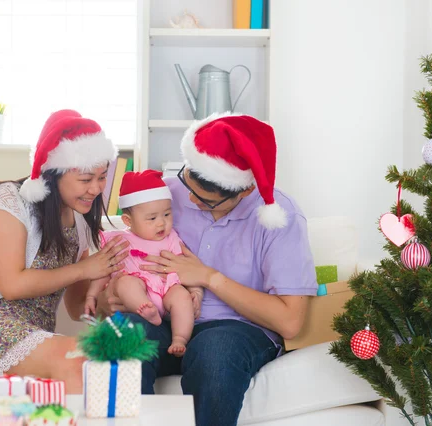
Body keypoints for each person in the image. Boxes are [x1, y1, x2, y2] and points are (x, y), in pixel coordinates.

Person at [98, 113, 318, 426]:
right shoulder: (166, 196)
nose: (188, 199)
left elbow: (290, 321)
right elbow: (111, 282)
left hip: (237, 331)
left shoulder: (281, 218)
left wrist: (208, 277)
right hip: (164, 319)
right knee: (120, 333)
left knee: (213, 349)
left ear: (243, 191)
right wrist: (115, 295)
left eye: (205, 201)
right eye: (188, 181)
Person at [0, 109, 129, 392]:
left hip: (32, 329)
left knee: (99, 357)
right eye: (86, 180)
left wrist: (104, 303)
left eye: (102, 178)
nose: (96, 189)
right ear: (54, 174)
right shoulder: (8, 200)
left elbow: (76, 309)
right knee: (77, 359)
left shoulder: (80, 220)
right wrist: (85, 269)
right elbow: (11, 285)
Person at [85, 170, 203, 356]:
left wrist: (196, 291)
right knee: (125, 283)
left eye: (166, 214)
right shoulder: (119, 240)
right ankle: (146, 310)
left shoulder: (172, 238)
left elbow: (188, 267)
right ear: (128, 220)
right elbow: (104, 270)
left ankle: (179, 339)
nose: (161, 224)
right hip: (138, 293)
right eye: (152, 218)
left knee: (182, 297)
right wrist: (92, 295)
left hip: (167, 289)